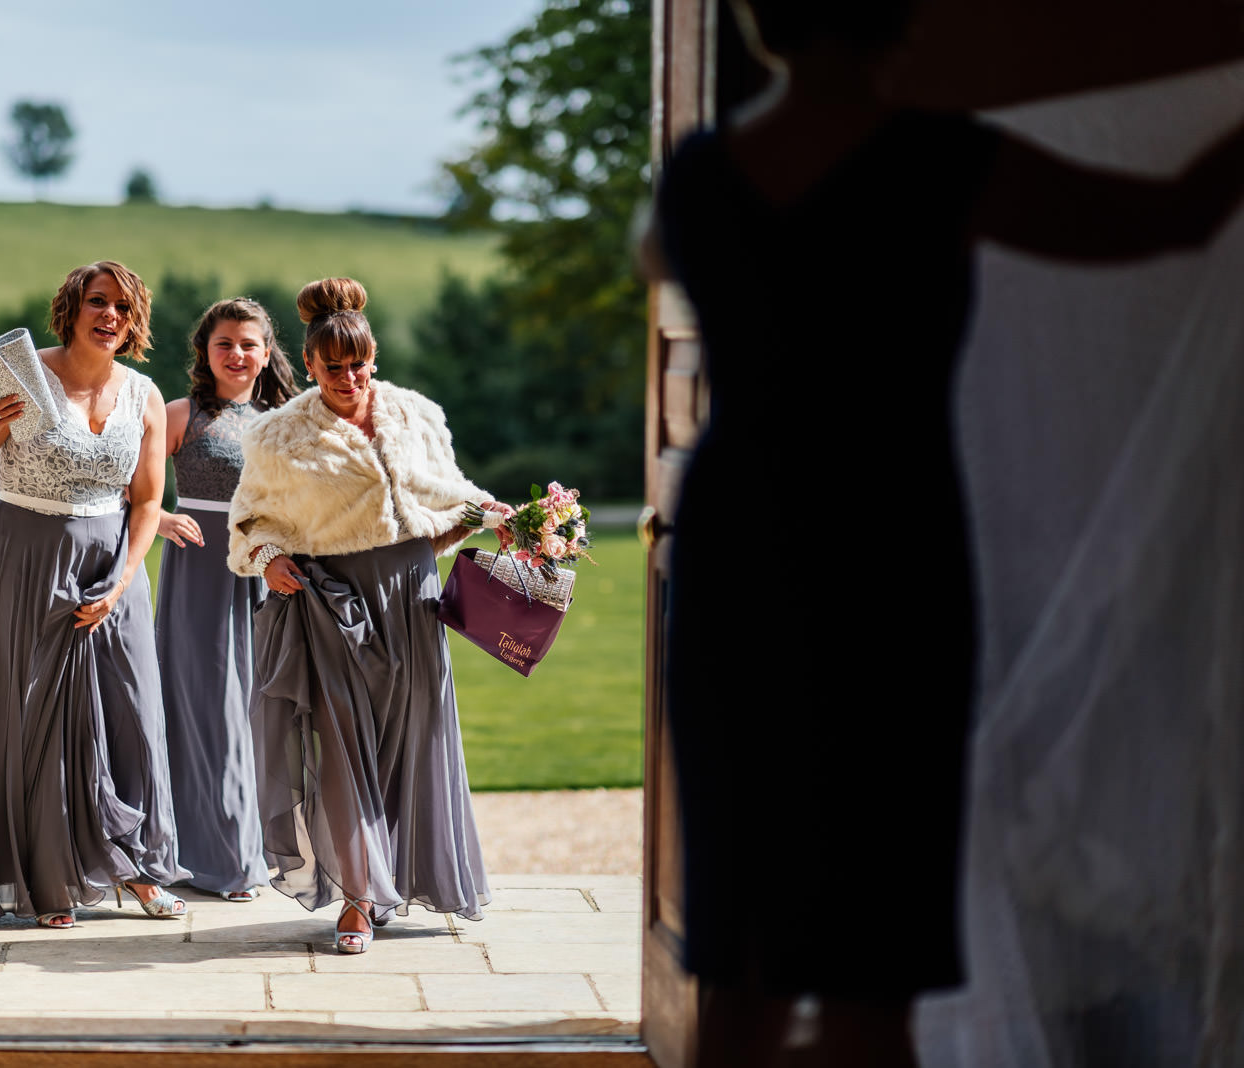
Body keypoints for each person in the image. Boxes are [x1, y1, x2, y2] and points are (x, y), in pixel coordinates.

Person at [651, 1, 1244, 1064]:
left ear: (761, 26)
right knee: (870, 947)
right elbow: (1173, 217)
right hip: (885, 544)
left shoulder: (698, 172)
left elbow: (656, 254)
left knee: (739, 935)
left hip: (739, 540)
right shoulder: (940, 159)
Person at [225, 277, 513, 954]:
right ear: (310, 363)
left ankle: (397, 882)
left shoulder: (414, 415)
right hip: (330, 605)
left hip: (412, 596)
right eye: (333, 369)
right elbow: (248, 526)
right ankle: (356, 899)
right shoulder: (277, 435)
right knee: (341, 753)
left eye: (359, 365)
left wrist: (501, 518)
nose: (348, 379)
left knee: (410, 744)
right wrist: (267, 556)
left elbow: (448, 496)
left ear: (373, 357)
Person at [0, 260, 188, 929]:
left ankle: (142, 871)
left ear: (135, 318)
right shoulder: (22, 375)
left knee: (133, 716)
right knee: (32, 718)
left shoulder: (145, 394)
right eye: (98, 302)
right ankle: (46, 879)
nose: (110, 316)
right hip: (24, 554)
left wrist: (122, 581)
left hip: (113, 562)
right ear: (72, 308)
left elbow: (148, 501)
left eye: (123, 306)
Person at [153, 297, 299, 903]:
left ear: (267, 353)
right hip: (201, 572)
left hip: (273, 573)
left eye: (248, 344)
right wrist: (158, 518)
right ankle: (215, 859)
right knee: (205, 706)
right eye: (224, 344)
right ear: (204, 353)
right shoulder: (180, 414)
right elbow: (117, 481)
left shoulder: (290, 418)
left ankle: (266, 851)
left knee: (263, 711)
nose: (236, 354)